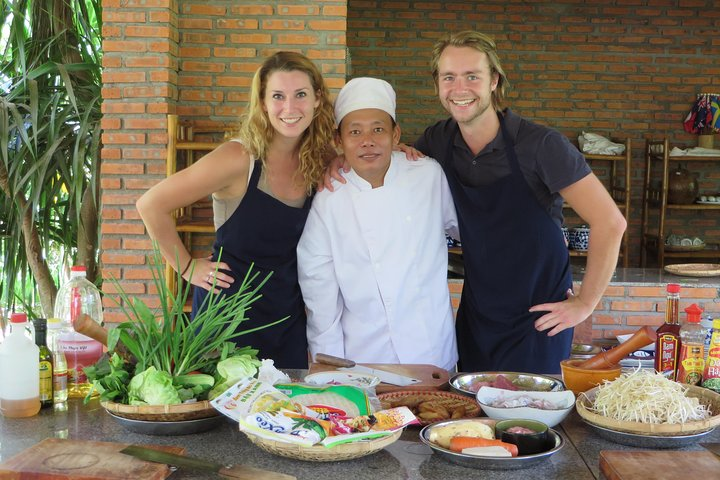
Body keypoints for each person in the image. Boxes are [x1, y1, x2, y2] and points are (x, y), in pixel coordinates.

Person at [413, 31, 627, 373]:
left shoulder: (541, 145)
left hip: (540, 319)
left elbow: (610, 222)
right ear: (437, 85)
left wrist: (586, 302)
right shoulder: (438, 140)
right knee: (472, 419)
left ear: (494, 81)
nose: (459, 88)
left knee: (530, 421)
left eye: (472, 76)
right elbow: (391, 164)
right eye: (448, 77)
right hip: (478, 315)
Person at [136, 51, 335, 368]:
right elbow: (151, 205)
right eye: (278, 96)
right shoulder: (239, 157)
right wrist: (186, 267)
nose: (290, 108)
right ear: (263, 102)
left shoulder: (320, 158)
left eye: (300, 95)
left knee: (287, 410)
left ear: (317, 99)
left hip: (286, 314)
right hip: (227, 314)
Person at [297, 77, 459, 371]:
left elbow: (467, 230)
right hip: (362, 354)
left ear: (396, 135)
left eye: (378, 129)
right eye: (355, 132)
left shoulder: (428, 175)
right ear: (339, 141)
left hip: (431, 348)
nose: (367, 141)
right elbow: (318, 286)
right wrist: (329, 362)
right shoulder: (329, 197)